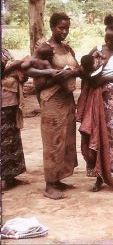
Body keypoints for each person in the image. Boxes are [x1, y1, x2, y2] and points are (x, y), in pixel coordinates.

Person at [26, 12, 80, 199]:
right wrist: (56, 75)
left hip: (67, 100)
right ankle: (50, 185)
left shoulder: (67, 48)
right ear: (52, 27)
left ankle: (59, 178)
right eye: (61, 28)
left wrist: (75, 71)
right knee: (53, 142)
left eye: (67, 28)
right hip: (52, 100)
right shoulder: (45, 49)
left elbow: (78, 68)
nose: (64, 32)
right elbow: (38, 82)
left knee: (66, 141)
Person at [78, 14, 113, 192]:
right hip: (97, 98)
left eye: (112, 38)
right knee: (97, 136)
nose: (108, 40)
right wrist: (93, 71)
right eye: (106, 36)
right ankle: (99, 177)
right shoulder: (97, 49)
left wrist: (105, 78)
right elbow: (83, 68)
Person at [1, 48, 27, 191]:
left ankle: (12, 175)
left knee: (13, 138)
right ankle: (3, 179)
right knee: (4, 140)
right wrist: (15, 65)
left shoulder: (4, 51)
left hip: (11, 100)